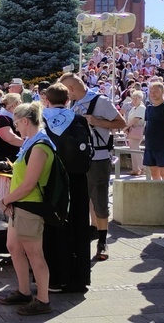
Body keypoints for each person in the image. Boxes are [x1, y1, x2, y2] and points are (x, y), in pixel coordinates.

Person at [60, 72, 126, 261]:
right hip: (77, 159)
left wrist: (96, 121)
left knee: (100, 199)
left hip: (98, 157)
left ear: (72, 89)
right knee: (81, 198)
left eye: (66, 91)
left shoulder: (100, 101)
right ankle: (88, 233)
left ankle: (102, 242)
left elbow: (121, 122)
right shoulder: (72, 103)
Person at [0, 102, 55, 316]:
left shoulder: (40, 146)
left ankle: (43, 300)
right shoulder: (31, 142)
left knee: (34, 253)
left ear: (24, 121)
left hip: (30, 205)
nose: (15, 129)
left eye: (16, 124)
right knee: (13, 246)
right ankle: (23, 291)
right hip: (20, 204)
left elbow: (30, 184)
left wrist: (6, 199)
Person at [42, 83, 92, 293]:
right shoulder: (79, 119)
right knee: (78, 226)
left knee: (53, 227)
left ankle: (55, 278)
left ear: (47, 100)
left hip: (52, 180)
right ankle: (79, 278)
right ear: (67, 100)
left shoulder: (41, 119)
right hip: (78, 180)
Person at [144, 82, 164, 180]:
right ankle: (157, 195)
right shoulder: (149, 108)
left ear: (163, 91)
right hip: (150, 146)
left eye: (156, 91)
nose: (153, 94)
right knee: (154, 174)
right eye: (151, 91)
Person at [0, 94, 23, 163]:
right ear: (14, 105)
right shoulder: (1, 118)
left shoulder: (11, 118)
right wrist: (28, 144)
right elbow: (10, 138)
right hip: (3, 158)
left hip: (13, 156)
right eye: (20, 102)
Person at [125, 90, 146, 175]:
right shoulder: (134, 108)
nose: (134, 100)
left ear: (140, 98)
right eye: (133, 98)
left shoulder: (141, 107)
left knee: (135, 149)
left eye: (136, 98)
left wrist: (126, 127)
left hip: (137, 130)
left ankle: (143, 168)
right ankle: (135, 169)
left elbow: (136, 119)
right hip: (132, 130)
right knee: (133, 150)